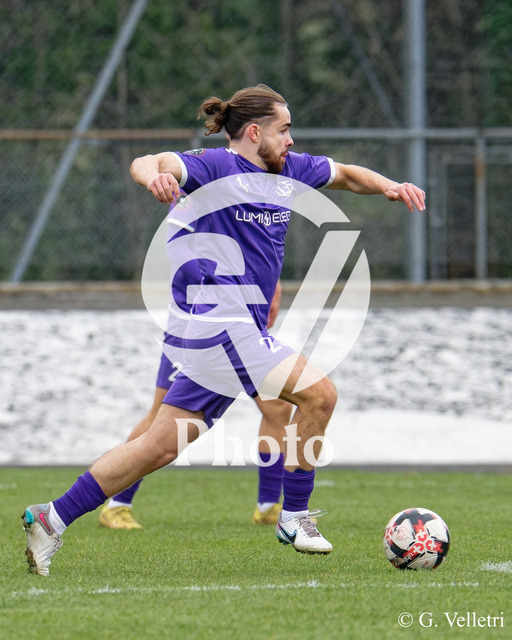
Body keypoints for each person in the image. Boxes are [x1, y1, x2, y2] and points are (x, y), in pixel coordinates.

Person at [21, 84, 425, 576]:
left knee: (158, 446)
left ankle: (51, 517)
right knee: (319, 395)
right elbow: (148, 161)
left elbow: (346, 174)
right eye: (284, 130)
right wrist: (154, 178)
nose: (291, 140)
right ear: (254, 132)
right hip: (221, 326)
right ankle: (293, 517)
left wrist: (390, 186)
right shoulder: (216, 167)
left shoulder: (290, 171)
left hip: (225, 335)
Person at [98, 282, 293, 529]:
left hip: (240, 328)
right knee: (162, 420)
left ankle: (268, 506)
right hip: (193, 327)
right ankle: (117, 505)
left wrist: (272, 288)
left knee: (277, 406)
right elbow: (197, 268)